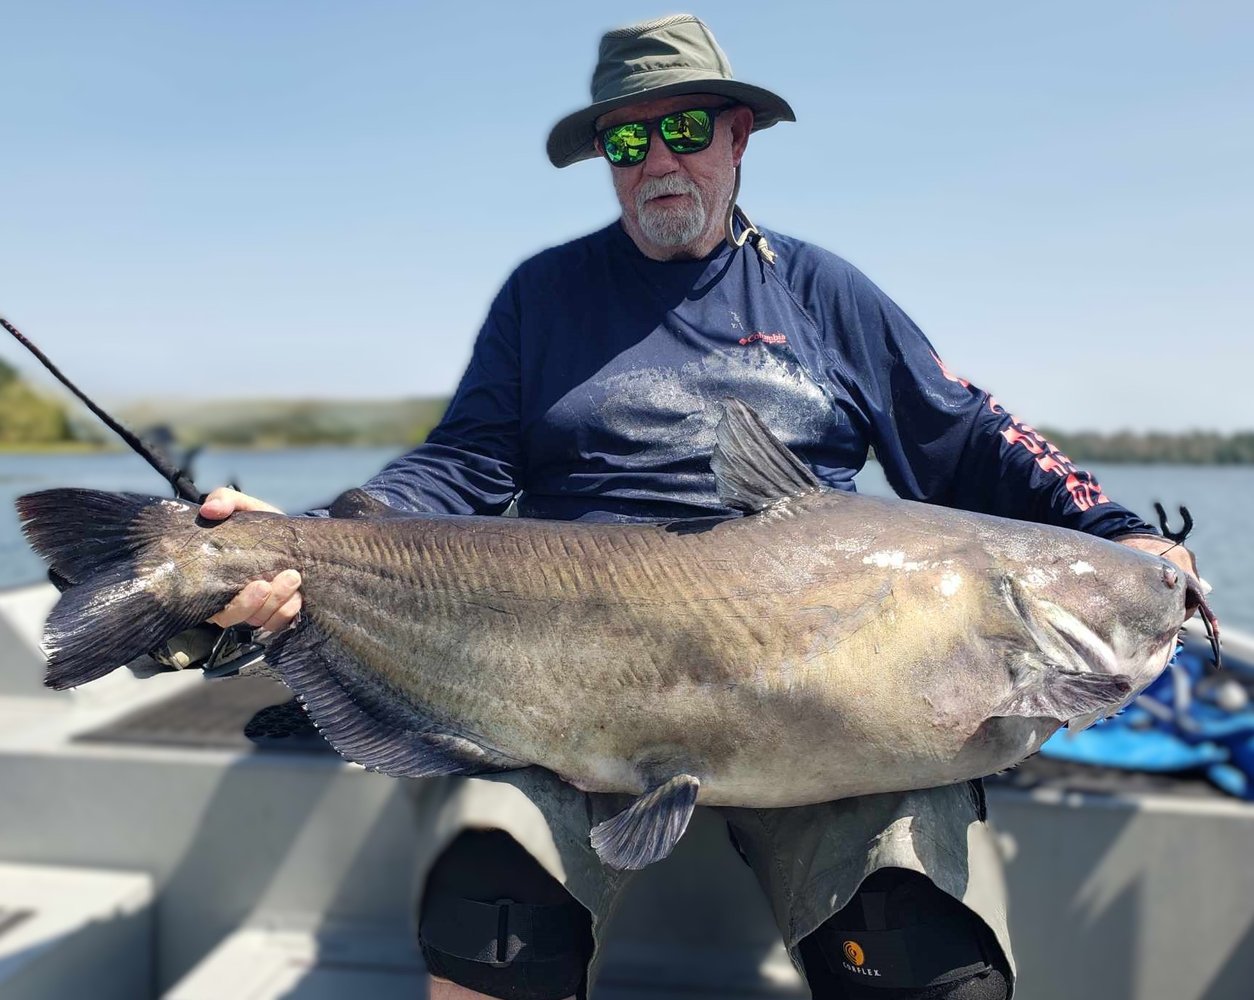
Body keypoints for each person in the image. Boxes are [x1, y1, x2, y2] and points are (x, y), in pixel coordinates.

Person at [200, 14, 1199, 1000]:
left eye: (685, 131)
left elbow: (968, 436)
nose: (658, 161)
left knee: (926, 960)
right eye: (628, 140)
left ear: (738, 136)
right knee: (490, 917)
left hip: (830, 703)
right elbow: (459, 468)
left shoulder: (825, 295)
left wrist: (1116, 533)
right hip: (567, 687)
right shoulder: (542, 297)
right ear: (605, 155)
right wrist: (305, 541)